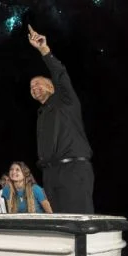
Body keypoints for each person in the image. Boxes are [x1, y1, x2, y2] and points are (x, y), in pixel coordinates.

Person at [27, 25, 95, 213]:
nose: (34, 88)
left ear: (51, 87)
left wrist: (44, 49)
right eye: (31, 87)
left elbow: (60, 74)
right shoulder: (42, 114)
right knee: (60, 223)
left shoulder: (65, 100)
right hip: (50, 174)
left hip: (72, 169)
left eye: (38, 84)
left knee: (77, 221)